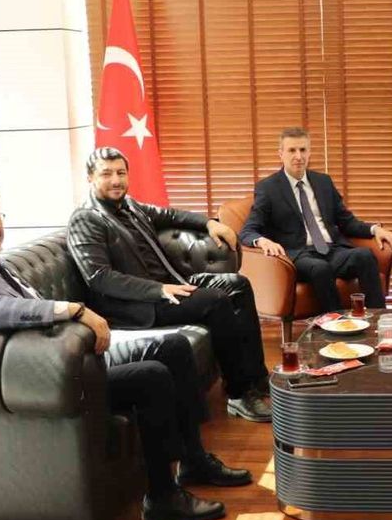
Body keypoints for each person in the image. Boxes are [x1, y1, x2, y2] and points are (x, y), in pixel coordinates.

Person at [0, 178, 251, 520]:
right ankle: (162, 497)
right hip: (46, 378)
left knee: (173, 346)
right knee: (151, 376)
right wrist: (73, 310)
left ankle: (194, 460)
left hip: (69, 353)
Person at [67, 146, 273, 423]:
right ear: (90, 178)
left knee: (238, 285)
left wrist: (210, 223)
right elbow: (99, 277)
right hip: (139, 303)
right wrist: (158, 290)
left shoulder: (129, 206)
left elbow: (171, 216)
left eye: (121, 173)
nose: (116, 180)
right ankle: (239, 394)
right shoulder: (86, 219)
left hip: (172, 283)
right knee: (216, 302)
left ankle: (257, 379)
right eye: (106, 174)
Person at [239, 126, 392, 312]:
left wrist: (375, 229)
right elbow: (248, 231)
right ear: (280, 154)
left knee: (364, 256)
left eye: (303, 150)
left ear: (309, 152)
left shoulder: (323, 181)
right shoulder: (268, 188)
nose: (298, 156)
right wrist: (262, 241)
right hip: (299, 255)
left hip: (332, 250)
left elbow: (347, 222)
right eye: (292, 150)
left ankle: (379, 318)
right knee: (320, 268)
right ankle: (336, 322)